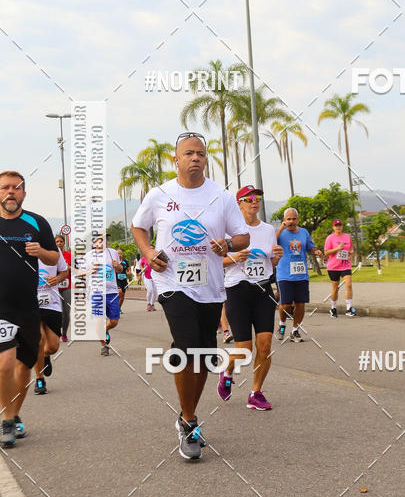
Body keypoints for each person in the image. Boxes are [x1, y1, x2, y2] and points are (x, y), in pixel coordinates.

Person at [131, 133, 249, 461]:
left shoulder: (221, 197)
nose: (195, 158)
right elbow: (138, 227)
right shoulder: (160, 194)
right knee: (185, 346)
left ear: (206, 159)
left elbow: (242, 236)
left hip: (210, 285)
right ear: (176, 160)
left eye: (200, 153)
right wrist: (148, 249)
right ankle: (190, 421)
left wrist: (228, 244)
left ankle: (186, 417)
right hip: (172, 281)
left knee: (204, 355)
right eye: (188, 153)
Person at [0, 171, 58, 445]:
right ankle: (6, 420)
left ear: (25, 193)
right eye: (5, 188)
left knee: (24, 366)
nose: (10, 192)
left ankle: (13, 416)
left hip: (27, 307)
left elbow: (54, 256)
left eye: (16, 188)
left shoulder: (37, 222)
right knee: (4, 365)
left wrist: (40, 252)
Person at [218, 185, 283, 410]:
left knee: (264, 345)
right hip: (237, 290)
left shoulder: (268, 230)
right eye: (249, 199)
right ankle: (226, 372)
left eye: (257, 198)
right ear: (239, 204)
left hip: (262, 290)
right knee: (244, 348)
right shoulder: (229, 233)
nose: (254, 202)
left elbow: (269, 263)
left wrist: (276, 258)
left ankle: (256, 393)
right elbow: (216, 262)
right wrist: (235, 257)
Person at [275, 208, 322, 342]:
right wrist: (281, 228)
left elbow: (310, 247)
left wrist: (315, 251)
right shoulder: (279, 232)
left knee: (301, 304)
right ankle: (282, 325)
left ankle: (295, 330)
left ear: (298, 219)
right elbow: (271, 241)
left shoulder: (304, 232)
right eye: (288, 219)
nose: (291, 221)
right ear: (284, 220)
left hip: (301, 274)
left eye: (294, 219)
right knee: (285, 304)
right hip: (284, 274)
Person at [77, 233, 121, 356]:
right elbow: (80, 273)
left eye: (105, 239)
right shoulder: (88, 256)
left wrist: (117, 266)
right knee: (98, 321)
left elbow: (120, 270)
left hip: (112, 292)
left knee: (114, 321)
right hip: (96, 293)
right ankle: (104, 345)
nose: (103, 241)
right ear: (94, 242)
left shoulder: (113, 253)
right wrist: (91, 271)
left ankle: (105, 330)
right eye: (100, 239)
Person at [34, 251, 69, 394]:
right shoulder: (21, 247)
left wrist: (57, 279)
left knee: (53, 346)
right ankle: (39, 379)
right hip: (30, 303)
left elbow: (65, 272)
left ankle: (45, 356)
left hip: (52, 303)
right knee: (39, 340)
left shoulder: (53, 249)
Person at [324, 220, 356, 317]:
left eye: (340, 225)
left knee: (349, 284)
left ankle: (349, 309)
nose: (338, 227)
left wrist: (351, 252)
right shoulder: (330, 238)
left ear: (342, 226)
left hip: (345, 265)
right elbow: (326, 253)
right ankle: (333, 308)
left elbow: (351, 248)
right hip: (333, 267)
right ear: (333, 227)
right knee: (335, 288)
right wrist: (337, 248)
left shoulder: (347, 236)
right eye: (336, 226)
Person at [54, 234, 71, 342]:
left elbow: (75, 270)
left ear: (64, 243)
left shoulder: (69, 255)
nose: (59, 243)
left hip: (67, 286)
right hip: (55, 287)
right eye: (57, 242)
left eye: (61, 241)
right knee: (57, 312)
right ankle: (56, 331)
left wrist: (68, 267)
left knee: (66, 311)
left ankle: (64, 333)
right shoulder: (52, 255)